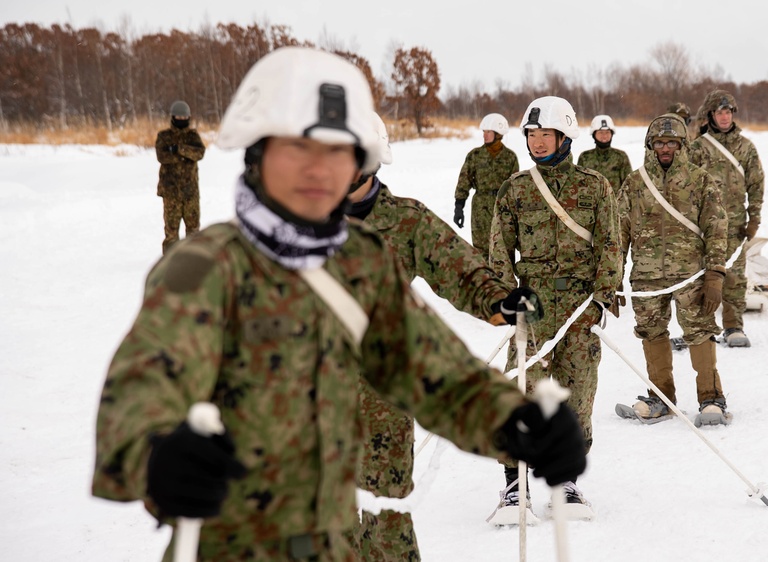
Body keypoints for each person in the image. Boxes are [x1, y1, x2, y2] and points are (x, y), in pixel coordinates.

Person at [91, 47, 586, 562]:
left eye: (338, 154)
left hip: (357, 526)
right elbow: (136, 399)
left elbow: (435, 373)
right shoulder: (206, 268)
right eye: (299, 150)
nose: (319, 171)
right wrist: (160, 456)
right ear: (258, 153)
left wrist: (515, 423)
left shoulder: (365, 260)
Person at [346, 112, 536, 560]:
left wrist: (499, 302)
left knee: (386, 520)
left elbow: (462, 271)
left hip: (381, 402)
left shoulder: (406, 222)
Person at [489, 96, 622, 514]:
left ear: (564, 136)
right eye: (531, 135)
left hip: (581, 308)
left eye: (545, 134)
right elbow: (498, 253)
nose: (538, 142)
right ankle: (515, 483)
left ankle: (565, 483)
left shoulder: (595, 186)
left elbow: (611, 247)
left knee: (577, 393)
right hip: (533, 307)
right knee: (521, 391)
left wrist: (602, 301)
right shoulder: (514, 189)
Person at [615, 113, 730, 426]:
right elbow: (618, 233)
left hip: (690, 274)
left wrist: (715, 275)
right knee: (651, 332)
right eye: (659, 142)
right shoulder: (635, 183)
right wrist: (612, 279)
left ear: (683, 145)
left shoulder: (700, 180)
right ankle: (660, 398)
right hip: (646, 277)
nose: (665, 148)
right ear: (650, 145)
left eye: (672, 143)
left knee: (699, 332)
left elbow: (717, 228)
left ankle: (711, 399)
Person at [688, 90, 765, 347]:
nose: (724, 117)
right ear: (711, 115)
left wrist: (754, 217)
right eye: (719, 112)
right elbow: (685, 186)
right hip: (704, 227)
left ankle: (733, 326)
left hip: (735, 225)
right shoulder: (697, 148)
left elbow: (756, 184)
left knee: (734, 278)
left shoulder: (745, 147)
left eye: (728, 112)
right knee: (702, 277)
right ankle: (701, 327)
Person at [453, 113, 520, 252]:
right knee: (481, 249)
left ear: (498, 133)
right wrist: (459, 207)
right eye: (484, 132)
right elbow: (463, 181)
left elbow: (515, 187)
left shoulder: (510, 157)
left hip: (502, 207)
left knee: (504, 248)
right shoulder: (475, 155)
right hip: (480, 208)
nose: (484, 135)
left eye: (488, 132)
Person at [155, 100, 206, 255]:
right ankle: (170, 261)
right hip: (171, 192)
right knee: (171, 232)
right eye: (179, 117)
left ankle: (193, 259)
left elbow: (199, 153)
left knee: (193, 231)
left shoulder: (193, 136)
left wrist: (178, 149)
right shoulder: (164, 136)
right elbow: (162, 156)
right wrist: (184, 156)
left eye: (184, 117)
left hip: (190, 192)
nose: (182, 120)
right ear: (173, 117)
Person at [576, 114, 632, 195]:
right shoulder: (585, 157)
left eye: (607, 132)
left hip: (615, 205)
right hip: (591, 204)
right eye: (601, 133)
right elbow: (579, 185)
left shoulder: (621, 156)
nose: (604, 136)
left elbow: (628, 185)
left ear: (612, 134)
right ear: (594, 134)